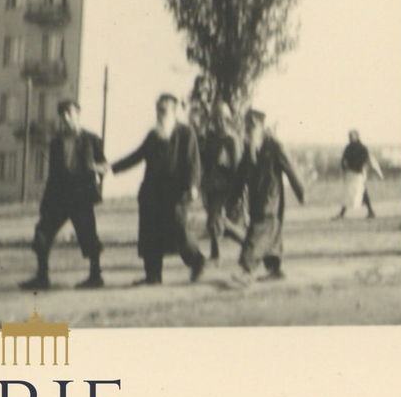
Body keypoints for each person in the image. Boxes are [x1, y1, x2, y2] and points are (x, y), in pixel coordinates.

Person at [110, 93, 206, 284]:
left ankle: (197, 261)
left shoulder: (185, 133)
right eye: (158, 109)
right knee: (149, 233)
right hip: (152, 193)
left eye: (164, 110)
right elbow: (136, 156)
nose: (160, 114)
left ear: (174, 111)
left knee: (178, 230)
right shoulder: (154, 135)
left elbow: (193, 162)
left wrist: (193, 186)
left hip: (176, 194)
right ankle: (152, 276)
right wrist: (111, 168)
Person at [20, 99, 109, 290]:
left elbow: (104, 165)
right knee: (42, 232)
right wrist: (46, 201)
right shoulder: (56, 142)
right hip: (59, 196)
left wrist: (97, 171)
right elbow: (53, 174)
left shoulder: (92, 139)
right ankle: (42, 277)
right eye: (62, 115)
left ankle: (95, 277)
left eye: (69, 113)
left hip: (81, 196)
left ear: (78, 113)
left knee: (88, 236)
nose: (66, 118)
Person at [228, 109, 306, 285]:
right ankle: (274, 269)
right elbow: (240, 177)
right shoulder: (249, 149)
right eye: (247, 125)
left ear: (262, 127)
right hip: (255, 200)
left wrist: (300, 191)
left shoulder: (274, 146)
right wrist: (231, 201)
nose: (249, 129)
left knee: (257, 233)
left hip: (271, 200)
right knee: (271, 235)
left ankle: (246, 270)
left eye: (253, 125)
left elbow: (290, 168)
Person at [199, 102, 244, 261]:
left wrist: (236, 194)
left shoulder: (232, 140)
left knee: (216, 220)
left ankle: (246, 245)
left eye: (222, 119)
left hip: (225, 188)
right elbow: (203, 160)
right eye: (216, 119)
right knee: (216, 223)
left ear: (228, 119)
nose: (219, 123)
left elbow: (237, 169)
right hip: (210, 186)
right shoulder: (210, 138)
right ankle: (217, 253)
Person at [336, 130, 383, 220]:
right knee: (351, 193)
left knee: (357, 192)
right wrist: (345, 167)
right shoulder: (348, 148)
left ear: (357, 136)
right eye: (349, 136)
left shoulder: (362, 148)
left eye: (351, 136)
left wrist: (378, 173)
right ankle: (370, 211)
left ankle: (343, 213)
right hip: (350, 174)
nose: (350, 137)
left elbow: (370, 161)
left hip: (358, 174)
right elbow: (344, 159)